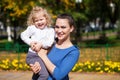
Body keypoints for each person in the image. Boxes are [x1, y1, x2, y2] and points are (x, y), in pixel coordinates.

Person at [30, 13, 80, 80]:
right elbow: (37, 59)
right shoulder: (49, 44)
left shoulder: (73, 52)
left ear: (71, 28)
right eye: (57, 27)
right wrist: (35, 66)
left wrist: (43, 56)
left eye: (63, 27)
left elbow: (58, 75)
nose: (59, 31)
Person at [20, 6, 55, 80]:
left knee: (37, 74)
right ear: (33, 22)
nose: (39, 22)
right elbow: (23, 35)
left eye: (41, 19)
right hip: (33, 56)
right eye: (36, 21)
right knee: (44, 75)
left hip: (43, 56)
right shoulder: (32, 28)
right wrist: (30, 42)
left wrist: (41, 44)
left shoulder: (51, 30)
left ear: (46, 19)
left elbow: (50, 43)